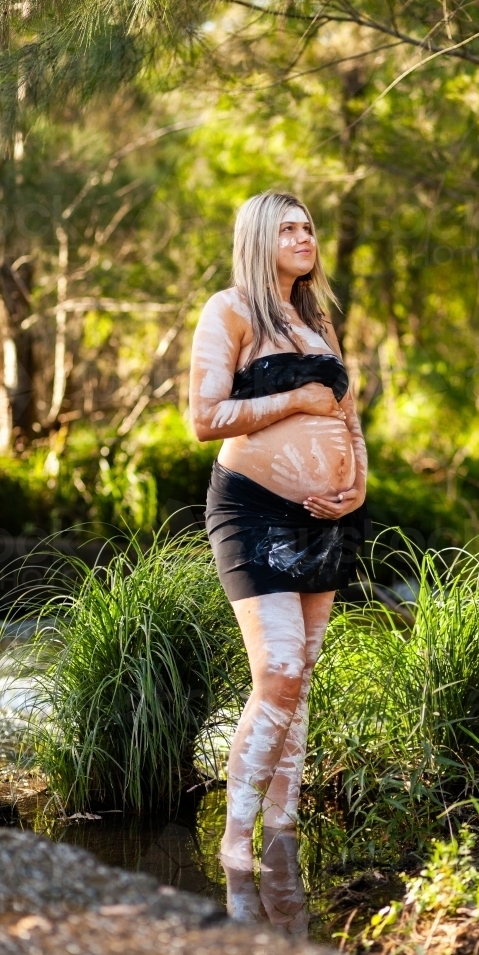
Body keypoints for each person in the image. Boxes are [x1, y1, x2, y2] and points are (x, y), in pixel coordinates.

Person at [189, 190, 368, 871]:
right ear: (259, 238)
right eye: (287, 228)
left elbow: (347, 416)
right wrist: (293, 398)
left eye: (308, 227)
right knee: (280, 671)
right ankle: (235, 840)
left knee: (304, 677)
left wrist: (356, 485)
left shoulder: (316, 320)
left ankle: (282, 828)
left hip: (329, 520)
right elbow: (204, 417)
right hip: (253, 510)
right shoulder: (229, 310)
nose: (303, 236)